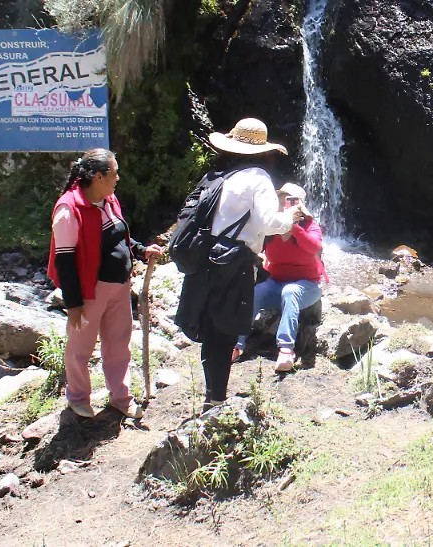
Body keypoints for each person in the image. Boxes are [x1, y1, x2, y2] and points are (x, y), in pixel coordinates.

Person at [174, 118, 304, 408]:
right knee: (225, 330)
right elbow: (268, 222)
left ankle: (212, 392)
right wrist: (290, 219)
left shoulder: (220, 174)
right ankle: (216, 400)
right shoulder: (257, 177)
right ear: (264, 151)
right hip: (233, 263)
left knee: (210, 329)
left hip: (206, 255)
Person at [48, 148, 163, 420]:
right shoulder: (69, 209)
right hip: (89, 291)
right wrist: (74, 304)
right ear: (98, 176)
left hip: (119, 286)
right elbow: (64, 262)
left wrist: (140, 250)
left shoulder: (109, 199)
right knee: (80, 348)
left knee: (118, 344)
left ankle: (121, 397)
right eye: (114, 173)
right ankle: (77, 398)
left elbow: (120, 236)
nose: (118, 178)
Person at [233, 182, 328, 372]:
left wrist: (293, 227)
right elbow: (253, 246)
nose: (286, 204)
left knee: (291, 291)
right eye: (282, 200)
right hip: (276, 283)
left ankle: (286, 349)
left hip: (308, 285)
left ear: (300, 205)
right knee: (255, 293)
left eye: (291, 201)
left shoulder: (310, 226)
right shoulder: (270, 230)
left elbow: (315, 248)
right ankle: (236, 344)